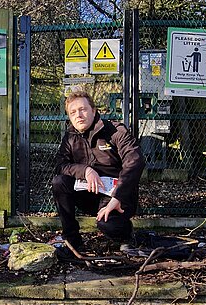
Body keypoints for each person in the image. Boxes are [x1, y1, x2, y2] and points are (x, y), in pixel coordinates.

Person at [52, 90, 145, 255]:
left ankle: (127, 237)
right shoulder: (70, 137)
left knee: (108, 226)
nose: (78, 115)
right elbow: (61, 165)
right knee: (59, 182)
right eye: (73, 112)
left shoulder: (115, 131)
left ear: (93, 111)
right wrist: (85, 170)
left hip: (116, 196)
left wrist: (117, 197)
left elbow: (134, 162)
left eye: (83, 109)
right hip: (88, 193)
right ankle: (72, 241)